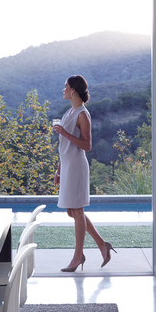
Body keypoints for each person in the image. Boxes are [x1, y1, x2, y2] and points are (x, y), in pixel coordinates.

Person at [53, 75, 116, 272]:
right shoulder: (69, 112)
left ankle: (78, 256)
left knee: (77, 211)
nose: (63, 89)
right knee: (72, 211)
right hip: (68, 167)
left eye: (65, 87)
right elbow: (64, 148)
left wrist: (64, 133)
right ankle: (102, 245)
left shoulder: (82, 114)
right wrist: (59, 171)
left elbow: (87, 146)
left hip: (77, 168)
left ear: (73, 91)